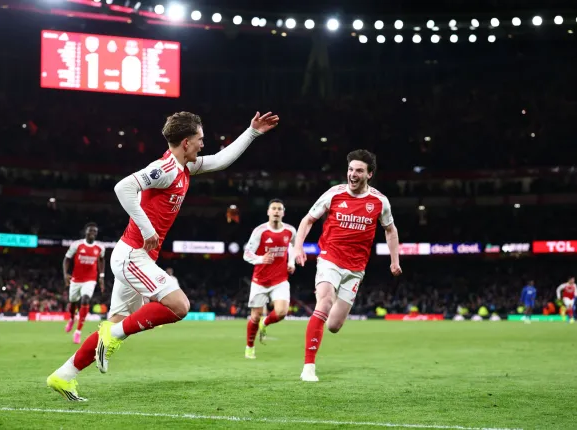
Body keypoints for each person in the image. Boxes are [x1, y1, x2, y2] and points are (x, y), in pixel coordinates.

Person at [46, 110, 279, 401]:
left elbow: (220, 160)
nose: (203, 144)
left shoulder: (185, 166)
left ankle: (64, 375)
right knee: (179, 306)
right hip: (133, 256)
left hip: (136, 257)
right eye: (200, 139)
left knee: (118, 322)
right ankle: (112, 334)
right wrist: (147, 229)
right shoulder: (166, 168)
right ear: (185, 142)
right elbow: (123, 187)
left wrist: (252, 132)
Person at [293, 149, 401, 382]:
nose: (353, 174)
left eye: (359, 170)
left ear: (369, 174)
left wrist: (395, 261)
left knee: (333, 325)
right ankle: (308, 368)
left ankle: (321, 320)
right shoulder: (334, 193)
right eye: (350, 169)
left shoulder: (379, 201)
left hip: (355, 269)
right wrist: (298, 247)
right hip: (330, 258)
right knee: (324, 302)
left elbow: (390, 230)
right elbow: (308, 220)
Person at [242, 199, 296, 358]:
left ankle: (264, 323)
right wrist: (261, 259)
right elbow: (247, 254)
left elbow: (293, 246)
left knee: (281, 312)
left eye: (279, 209)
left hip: (280, 279)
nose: (276, 211)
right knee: (255, 316)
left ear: (283, 212)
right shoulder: (260, 231)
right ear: (268, 212)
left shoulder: (290, 230)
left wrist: (291, 262)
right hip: (260, 280)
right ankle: (250, 346)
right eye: (274, 208)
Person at [63, 223, 105, 344]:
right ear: (85, 231)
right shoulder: (76, 245)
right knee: (73, 301)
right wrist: (65, 274)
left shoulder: (100, 247)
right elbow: (67, 259)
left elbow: (102, 260)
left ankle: (78, 331)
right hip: (76, 279)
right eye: (90, 231)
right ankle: (72, 319)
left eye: (95, 231)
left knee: (85, 299)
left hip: (90, 279)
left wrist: (101, 277)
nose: (93, 233)